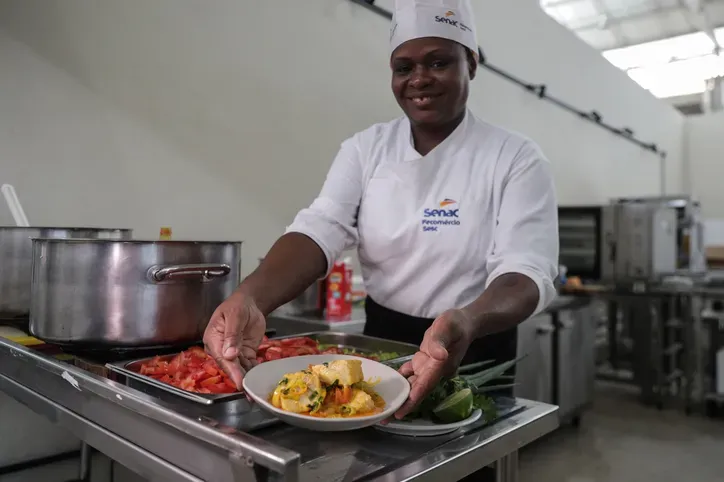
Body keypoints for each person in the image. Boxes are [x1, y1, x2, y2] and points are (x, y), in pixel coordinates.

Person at [205, 0, 557, 426]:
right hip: (380, 346)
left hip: (475, 344)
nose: (419, 79)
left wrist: (468, 318)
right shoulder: (366, 149)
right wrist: (248, 298)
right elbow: (320, 228)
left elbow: (526, 269)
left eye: (439, 62)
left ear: (472, 63)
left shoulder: (514, 156)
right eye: (403, 68)